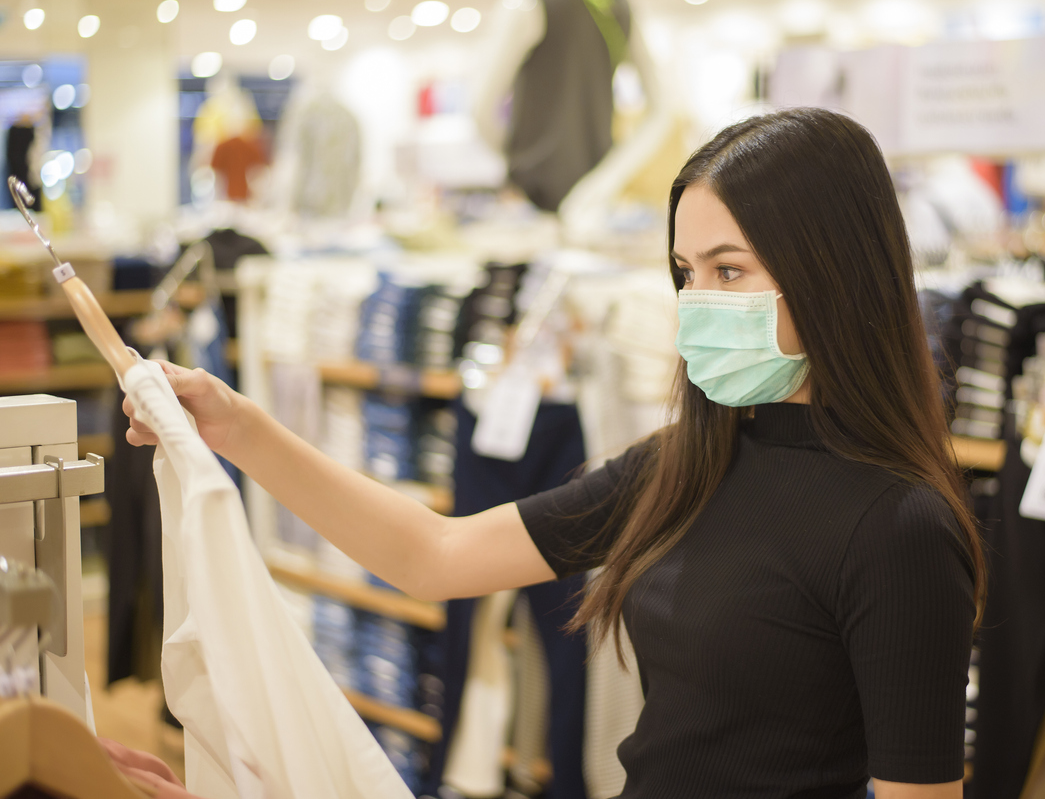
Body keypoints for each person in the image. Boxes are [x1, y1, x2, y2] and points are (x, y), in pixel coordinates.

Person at [126, 108, 983, 799]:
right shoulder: (685, 464)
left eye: (729, 271)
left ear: (834, 274)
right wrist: (238, 428)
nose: (697, 301)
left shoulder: (899, 527)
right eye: (686, 272)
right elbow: (436, 554)